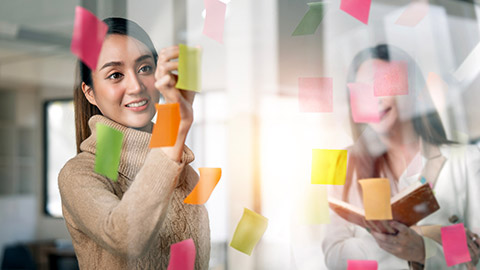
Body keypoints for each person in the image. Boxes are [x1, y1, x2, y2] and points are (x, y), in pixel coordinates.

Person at [58, 17, 210, 269]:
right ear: (90, 92)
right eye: (116, 74)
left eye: (145, 68)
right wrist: (173, 128)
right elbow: (125, 237)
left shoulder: (184, 172)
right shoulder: (79, 173)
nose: (137, 86)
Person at [322, 44, 480, 269]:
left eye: (383, 84)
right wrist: (429, 236)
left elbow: (475, 255)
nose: (374, 98)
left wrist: (422, 250)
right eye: (363, 90)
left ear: (412, 90)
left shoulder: (466, 160)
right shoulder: (341, 167)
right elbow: (334, 258)